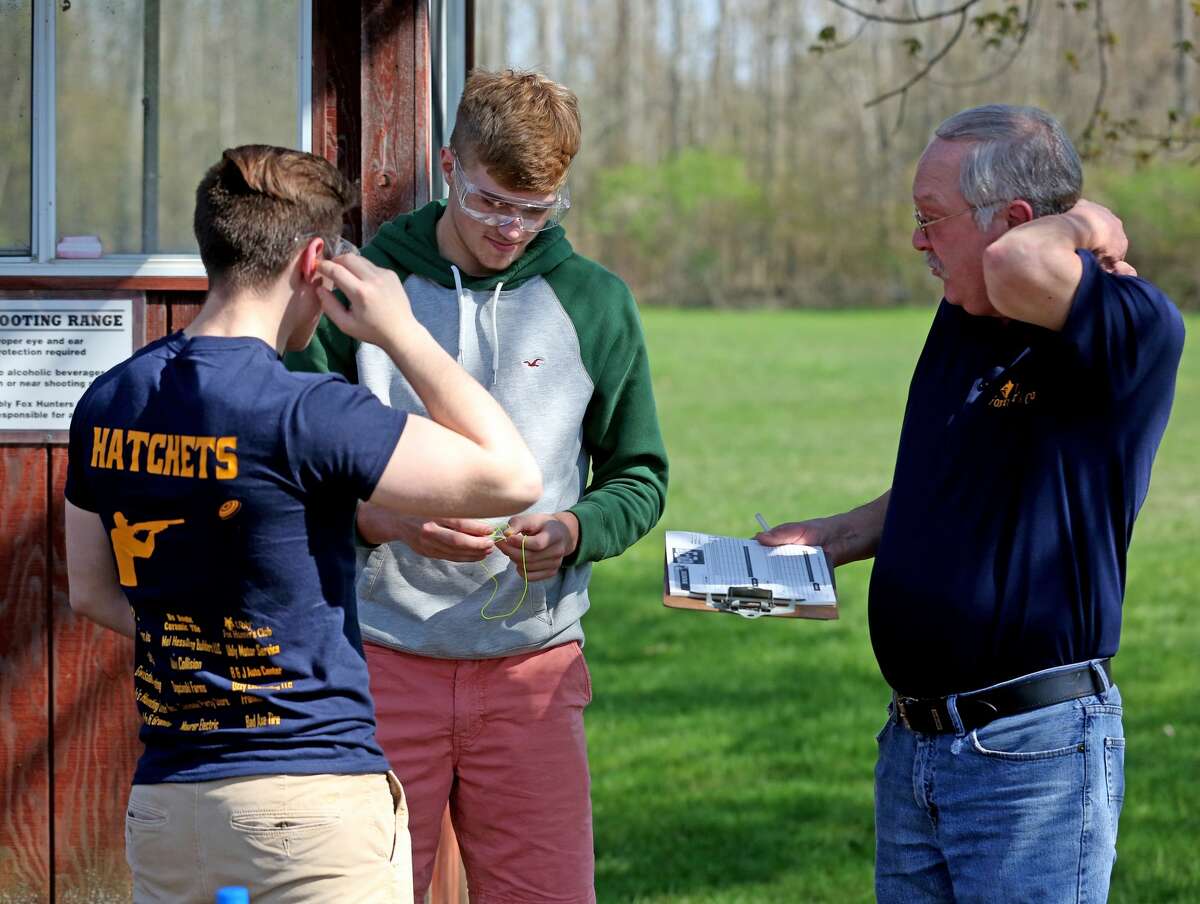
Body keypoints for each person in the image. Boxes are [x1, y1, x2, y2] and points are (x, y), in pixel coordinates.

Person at [64, 144, 542, 904]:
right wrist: (399, 331)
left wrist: (201, 642)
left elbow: (90, 591)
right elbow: (510, 476)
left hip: (168, 806)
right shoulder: (307, 409)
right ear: (316, 261)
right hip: (308, 804)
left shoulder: (111, 399)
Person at [758, 105, 1184, 902]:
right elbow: (945, 483)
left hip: (1033, 760)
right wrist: (830, 537)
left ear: (1018, 222)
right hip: (915, 746)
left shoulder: (1131, 326)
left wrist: (1087, 217)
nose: (918, 240)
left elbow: (1024, 262)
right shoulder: (965, 317)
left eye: (931, 219)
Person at [286, 69, 668, 901]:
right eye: (494, 201)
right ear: (449, 162)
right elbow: (294, 469)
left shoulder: (595, 302)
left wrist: (574, 531)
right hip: (378, 661)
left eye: (538, 210)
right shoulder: (365, 290)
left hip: (534, 667)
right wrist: (383, 519)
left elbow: (640, 475)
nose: (513, 229)